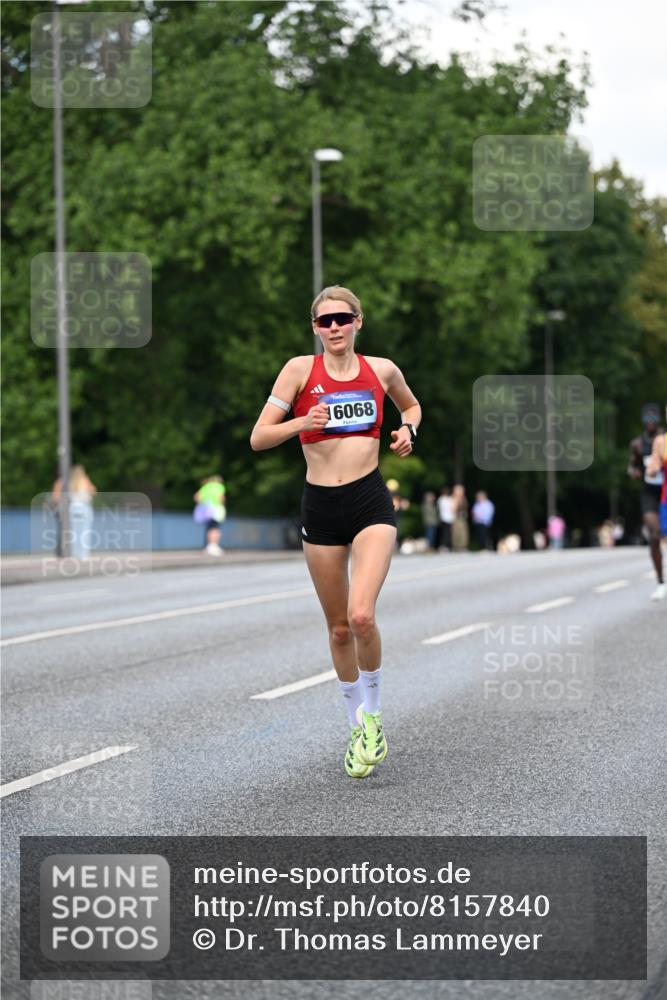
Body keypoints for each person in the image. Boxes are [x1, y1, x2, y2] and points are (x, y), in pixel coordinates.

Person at [250, 285, 421, 779]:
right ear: (315, 328)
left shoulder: (382, 370)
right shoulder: (299, 371)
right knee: (339, 627)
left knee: (362, 614)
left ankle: (375, 718)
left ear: (358, 322)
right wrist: (303, 419)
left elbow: (411, 407)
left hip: (369, 500)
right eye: (325, 321)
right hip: (320, 506)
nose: (334, 328)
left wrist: (408, 432)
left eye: (342, 319)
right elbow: (259, 437)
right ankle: (354, 724)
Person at [628, 403, 664, 600]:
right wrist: (634, 472)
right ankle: (661, 581)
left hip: (666, 491)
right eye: (647, 419)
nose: (650, 422)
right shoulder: (637, 444)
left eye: (653, 419)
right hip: (649, 493)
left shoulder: (664, 440)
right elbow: (631, 465)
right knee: (655, 534)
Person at [51, 464, 97, 558]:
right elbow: (93, 491)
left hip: (72, 507)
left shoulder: (69, 482)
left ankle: (73, 553)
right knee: (84, 532)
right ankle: (83, 553)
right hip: (83, 507)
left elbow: (58, 496)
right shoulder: (84, 480)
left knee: (73, 533)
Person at [646, 402, 667, 600]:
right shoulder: (661, 441)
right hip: (666, 497)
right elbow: (653, 466)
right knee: (664, 539)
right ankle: (664, 583)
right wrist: (651, 467)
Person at [193, 475, 226, 555]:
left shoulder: (206, 487)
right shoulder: (219, 486)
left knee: (209, 528)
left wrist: (203, 503)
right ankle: (213, 546)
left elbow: (196, 497)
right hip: (216, 510)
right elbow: (221, 498)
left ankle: (207, 546)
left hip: (206, 510)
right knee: (215, 528)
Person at [451, 483, 469, 552]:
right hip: (456, 516)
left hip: (463, 516)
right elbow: (453, 509)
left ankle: (463, 546)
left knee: (464, 531)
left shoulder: (464, 498)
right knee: (456, 531)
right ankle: (457, 546)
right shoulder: (454, 498)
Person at [437, 485, 454, 550]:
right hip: (444, 518)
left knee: (449, 533)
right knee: (444, 533)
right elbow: (441, 509)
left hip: (450, 518)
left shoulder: (450, 499)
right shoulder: (441, 499)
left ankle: (448, 545)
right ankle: (444, 545)